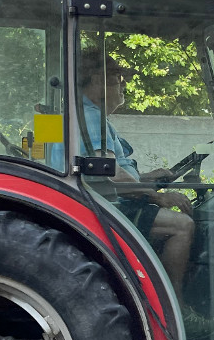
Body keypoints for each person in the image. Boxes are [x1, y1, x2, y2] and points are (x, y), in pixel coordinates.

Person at [79, 58, 195, 294]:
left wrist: (147, 177)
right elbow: (109, 174)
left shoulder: (88, 115)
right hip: (107, 206)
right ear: (97, 80)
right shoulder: (91, 118)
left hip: (104, 199)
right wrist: (157, 197)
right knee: (183, 225)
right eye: (118, 79)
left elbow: (107, 171)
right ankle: (178, 307)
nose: (124, 86)